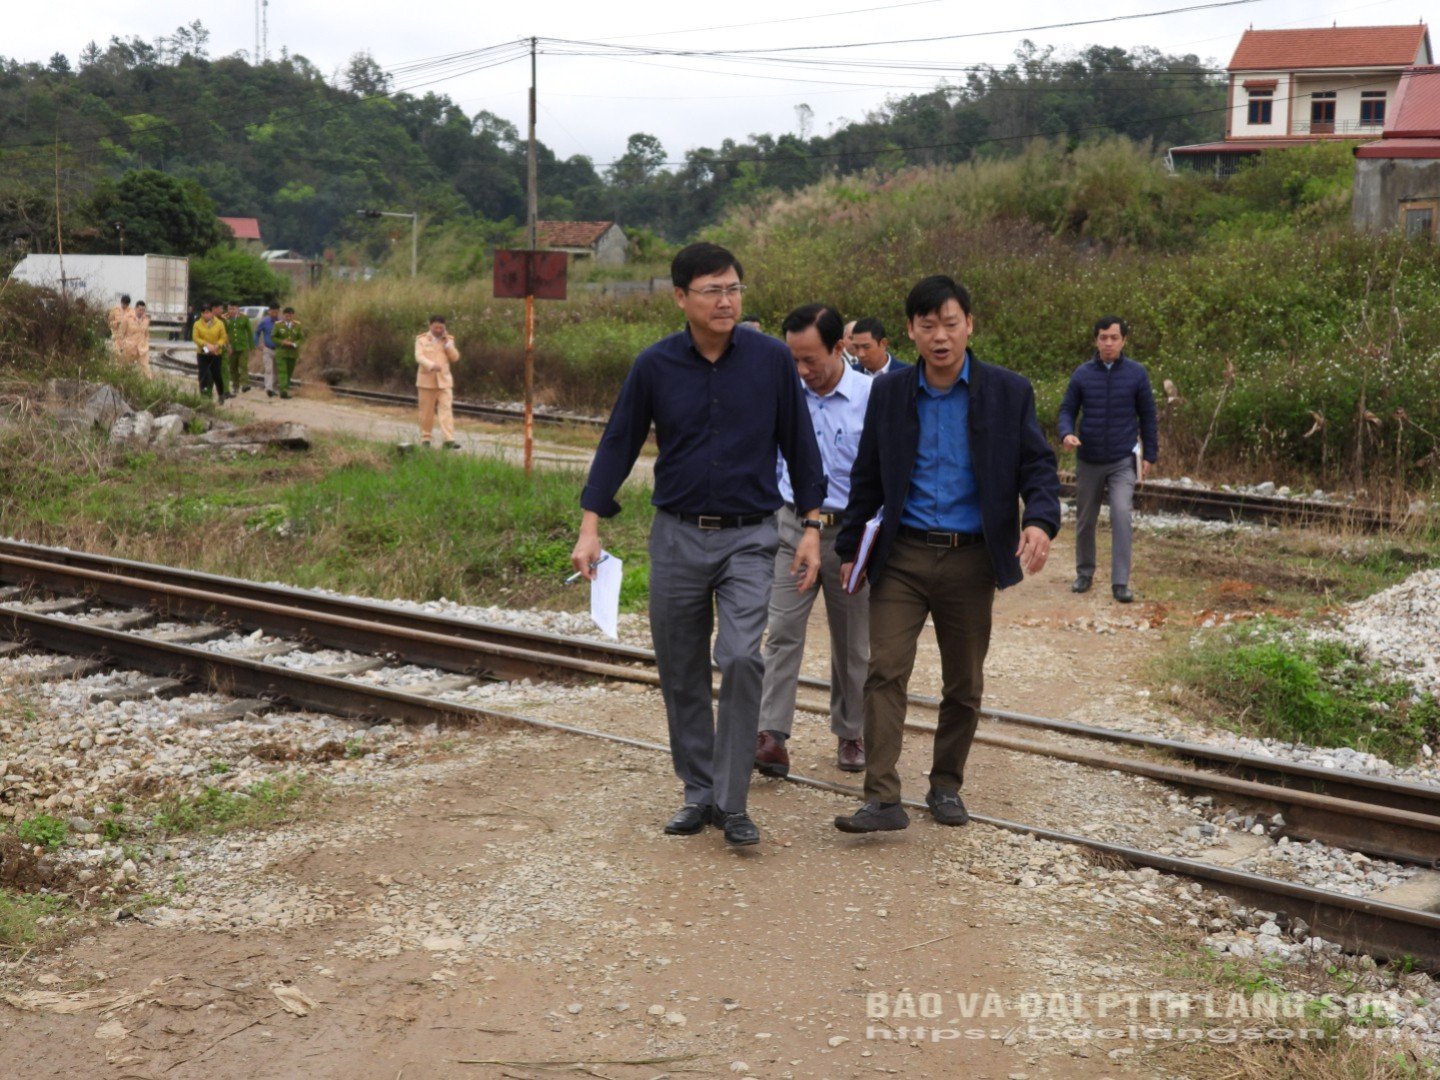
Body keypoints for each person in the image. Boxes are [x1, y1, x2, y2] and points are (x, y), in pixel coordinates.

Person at [570, 242, 827, 849]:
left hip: (752, 534)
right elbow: (618, 443)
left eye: (733, 288)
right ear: (681, 296)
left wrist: (812, 526)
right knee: (680, 665)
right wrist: (589, 525)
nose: (726, 300)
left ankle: (733, 802)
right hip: (679, 534)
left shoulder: (769, 360)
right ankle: (698, 790)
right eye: (712, 290)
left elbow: (801, 443)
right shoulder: (655, 365)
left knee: (740, 656)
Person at [833, 275, 1060, 833]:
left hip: (971, 558)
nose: (940, 336)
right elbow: (866, 476)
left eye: (951, 324)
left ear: (969, 326)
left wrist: (1040, 522)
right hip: (902, 556)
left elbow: (1038, 466)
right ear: (910, 331)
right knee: (884, 670)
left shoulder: (1008, 392)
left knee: (964, 683)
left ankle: (945, 785)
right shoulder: (890, 393)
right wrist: (848, 545)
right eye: (928, 325)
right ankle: (883, 798)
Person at [755, 304, 873, 779]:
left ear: (838, 348)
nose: (803, 372)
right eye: (794, 362)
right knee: (782, 632)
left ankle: (851, 732)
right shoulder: (786, 395)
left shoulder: (873, 395)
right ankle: (771, 736)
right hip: (791, 527)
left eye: (811, 361)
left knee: (852, 643)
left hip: (850, 532)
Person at [1057, 316, 1159, 605]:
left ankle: (1120, 582)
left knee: (1121, 514)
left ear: (1124, 340)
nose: (1109, 343)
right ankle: (1084, 573)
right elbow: (1067, 409)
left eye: (1114, 337)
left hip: (1121, 460)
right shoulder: (1082, 374)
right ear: (1096, 340)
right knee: (1085, 518)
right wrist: (1066, 433)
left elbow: (1148, 416)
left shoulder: (1137, 374)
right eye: (1103, 337)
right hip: (1089, 459)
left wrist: (1150, 454)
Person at [415, 315, 461, 449]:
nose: (438, 330)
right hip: (426, 382)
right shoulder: (421, 340)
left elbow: (455, 358)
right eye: (436, 327)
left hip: (444, 382)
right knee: (426, 413)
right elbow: (419, 356)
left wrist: (448, 345)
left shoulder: (448, 340)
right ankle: (426, 438)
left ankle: (449, 440)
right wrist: (430, 365)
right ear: (430, 325)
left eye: (441, 327)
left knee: (446, 411)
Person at [191, 301, 229, 401]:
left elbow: (223, 337)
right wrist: (206, 345)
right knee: (203, 374)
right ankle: (204, 396)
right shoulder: (197, 324)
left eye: (208, 312)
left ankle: (221, 394)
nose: (206, 315)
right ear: (201, 314)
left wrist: (217, 345)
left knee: (216, 374)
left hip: (216, 352)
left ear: (212, 313)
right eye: (204, 313)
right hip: (202, 352)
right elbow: (195, 338)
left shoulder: (219, 323)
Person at [272, 306, 303, 399]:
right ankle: (283, 391)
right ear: (283, 315)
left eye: (290, 315)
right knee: (283, 372)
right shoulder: (278, 325)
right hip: (281, 352)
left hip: (292, 353)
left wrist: (294, 344)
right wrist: (282, 342)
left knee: (289, 372)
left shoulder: (297, 325)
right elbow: (273, 337)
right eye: (286, 315)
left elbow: (301, 338)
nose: (288, 316)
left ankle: (285, 388)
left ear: (293, 315)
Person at [224, 303, 255, 395]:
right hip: (231, 347)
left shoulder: (244, 318)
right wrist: (226, 345)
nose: (231, 311)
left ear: (238, 309)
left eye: (233, 309)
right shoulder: (225, 319)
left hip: (243, 346)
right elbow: (223, 332)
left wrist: (251, 345)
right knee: (233, 367)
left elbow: (249, 332)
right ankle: (235, 386)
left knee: (243, 365)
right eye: (229, 309)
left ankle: (245, 384)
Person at [254, 303, 280, 397]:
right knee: (269, 369)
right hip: (267, 349)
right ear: (269, 311)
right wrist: (257, 344)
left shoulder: (281, 322)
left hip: (278, 350)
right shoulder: (264, 321)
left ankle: (274, 388)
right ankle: (269, 389)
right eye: (273, 311)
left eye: (276, 312)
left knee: (276, 370)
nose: (274, 313)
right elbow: (257, 333)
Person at [124, 300, 152, 377]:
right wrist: (122, 345)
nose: (141, 312)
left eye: (143, 310)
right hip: (130, 348)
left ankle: (148, 383)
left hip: (142, 348)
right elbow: (121, 333)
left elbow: (146, 333)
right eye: (140, 310)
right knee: (126, 367)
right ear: (135, 309)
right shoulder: (128, 319)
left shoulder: (146, 320)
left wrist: (146, 342)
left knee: (145, 367)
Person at [106, 294, 134, 363]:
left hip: (127, 338)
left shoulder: (132, 312)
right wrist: (116, 323)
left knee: (126, 357)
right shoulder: (115, 310)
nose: (124, 306)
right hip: (116, 337)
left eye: (126, 304)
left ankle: (124, 370)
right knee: (115, 354)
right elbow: (109, 322)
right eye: (123, 303)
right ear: (121, 302)